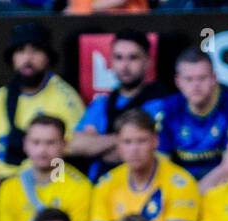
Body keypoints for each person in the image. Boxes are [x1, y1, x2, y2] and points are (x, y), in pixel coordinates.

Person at [0, 23, 85, 195]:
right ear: (12, 59)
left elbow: (68, 153)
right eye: (20, 51)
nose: (27, 58)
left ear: (48, 57)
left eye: (36, 51)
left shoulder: (65, 97)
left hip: (46, 181)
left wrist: (49, 186)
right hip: (3, 184)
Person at [86, 110, 200, 221]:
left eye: (141, 141)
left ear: (155, 141)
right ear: (118, 145)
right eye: (127, 142)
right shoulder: (106, 183)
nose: (134, 149)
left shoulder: (181, 183)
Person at [69, 29, 170, 182]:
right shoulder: (102, 103)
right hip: (101, 185)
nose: (125, 65)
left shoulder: (161, 102)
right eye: (119, 58)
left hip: (147, 185)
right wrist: (125, 140)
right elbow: (76, 145)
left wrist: (99, 143)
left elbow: (147, 151)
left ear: (148, 62)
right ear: (111, 62)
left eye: (133, 58)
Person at [0, 115, 92, 221]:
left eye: (50, 143)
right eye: (36, 142)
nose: (42, 149)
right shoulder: (9, 187)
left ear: (64, 144)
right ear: (25, 144)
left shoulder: (80, 187)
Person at [155, 48, 228, 183]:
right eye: (189, 79)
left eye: (202, 78)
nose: (196, 85)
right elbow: (161, 164)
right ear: (178, 81)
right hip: (179, 184)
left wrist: (196, 194)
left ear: (214, 78)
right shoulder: (168, 110)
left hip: (221, 185)